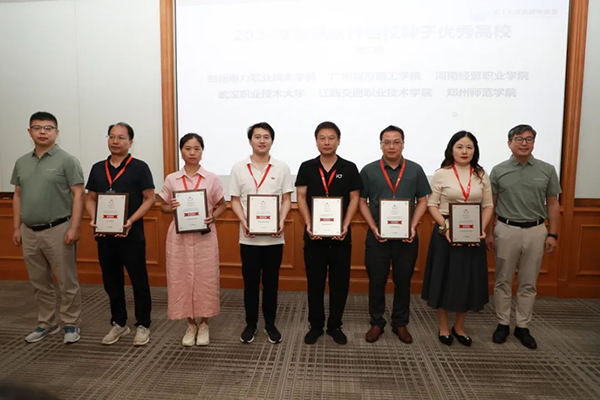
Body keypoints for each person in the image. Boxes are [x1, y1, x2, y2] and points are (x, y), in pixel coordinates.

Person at [11, 111, 84, 344]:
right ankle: (47, 323)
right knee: (39, 282)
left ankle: (71, 323)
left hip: (58, 229)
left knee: (66, 281)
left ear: (56, 132)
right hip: (29, 231)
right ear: (29, 131)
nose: (42, 132)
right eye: (37, 127)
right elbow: (17, 195)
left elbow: (78, 194)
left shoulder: (67, 160)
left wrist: (74, 227)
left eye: (48, 128)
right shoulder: (21, 162)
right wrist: (16, 228)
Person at [486, 124, 561, 350]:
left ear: (534, 143)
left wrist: (553, 233)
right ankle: (502, 323)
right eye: (519, 139)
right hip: (506, 229)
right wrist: (488, 233)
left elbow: (553, 204)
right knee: (503, 280)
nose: (524, 143)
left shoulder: (547, 170)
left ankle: (522, 326)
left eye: (529, 139)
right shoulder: (498, 170)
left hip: (536, 231)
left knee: (528, 282)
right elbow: (491, 205)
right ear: (510, 143)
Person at [359, 125, 431, 344]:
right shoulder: (369, 170)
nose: (391, 146)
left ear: (403, 144)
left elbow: (423, 201)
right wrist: (373, 227)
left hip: (406, 238)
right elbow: (361, 201)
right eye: (387, 142)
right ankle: (376, 322)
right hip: (377, 237)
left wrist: (413, 226)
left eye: (396, 142)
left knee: (403, 281)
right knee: (376, 281)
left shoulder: (415, 170)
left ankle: (400, 323)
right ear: (380, 145)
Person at [85, 122, 155, 346]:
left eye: (121, 138)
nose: (115, 141)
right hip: (105, 236)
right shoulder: (98, 168)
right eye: (112, 137)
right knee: (111, 281)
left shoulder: (140, 167)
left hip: (132, 236)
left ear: (130, 142)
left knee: (139, 281)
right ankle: (119, 323)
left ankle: (143, 324)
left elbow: (150, 198)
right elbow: (90, 198)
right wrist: (93, 218)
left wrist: (131, 221)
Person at [421, 131, 494, 346]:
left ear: (475, 150)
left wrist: (481, 229)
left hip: (473, 232)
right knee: (444, 278)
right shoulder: (442, 174)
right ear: (451, 149)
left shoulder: (481, 174)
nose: (464, 151)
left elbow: (488, 205)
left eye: (469, 147)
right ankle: (444, 326)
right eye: (460, 147)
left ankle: (459, 327)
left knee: (467, 280)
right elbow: (432, 205)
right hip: (446, 231)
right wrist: (445, 228)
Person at [296, 121, 362, 345]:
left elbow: (354, 199)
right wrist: (308, 224)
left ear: (338, 141)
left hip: (341, 237)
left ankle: (335, 325)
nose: (326, 142)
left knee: (339, 284)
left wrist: (345, 225)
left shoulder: (349, 168)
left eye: (331, 138)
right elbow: (301, 198)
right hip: (313, 237)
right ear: (316, 141)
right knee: (314, 284)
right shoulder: (307, 167)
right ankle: (315, 325)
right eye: (322, 138)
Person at [159, 133, 226, 346]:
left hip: (204, 237)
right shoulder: (172, 179)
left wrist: (213, 216)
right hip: (179, 237)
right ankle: (190, 324)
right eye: (188, 148)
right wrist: (170, 207)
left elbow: (222, 205)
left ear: (202, 152)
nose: (192, 152)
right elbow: (162, 206)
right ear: (181, 151)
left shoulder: (211, 178)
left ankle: (204, 323)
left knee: (206, 279)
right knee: (180, 278)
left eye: (197, 148)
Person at [230, 122, 293, 344]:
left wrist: (281, 221)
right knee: (250, 284)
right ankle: (251, 324)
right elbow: (234, 200)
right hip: (248, 238)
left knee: (271, 283)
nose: (262, 141)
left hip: (274, 238)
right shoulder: (239, 168)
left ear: (272, 141)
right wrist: (244, 221)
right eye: (257, 136)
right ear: (250, 141)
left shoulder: (282, 168)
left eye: (266, 137)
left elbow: (287, 199)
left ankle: (270, 324)